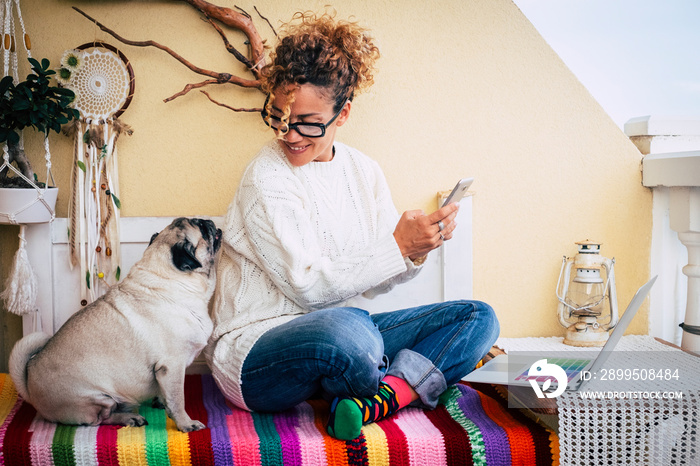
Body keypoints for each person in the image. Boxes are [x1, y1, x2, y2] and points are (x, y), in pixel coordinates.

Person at [206, 11, 499, 441]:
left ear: (342, 114)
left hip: (342, 332)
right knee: (351, 332)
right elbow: (307, 288)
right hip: (255, 353)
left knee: (477, 318)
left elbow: (378, 281)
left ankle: (380, 397)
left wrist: (416, 249)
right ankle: (395, 376)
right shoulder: (265, 176)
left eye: (307, 122)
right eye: (279, 117)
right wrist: (396, 247)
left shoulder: (364, 171)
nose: (290, 135)